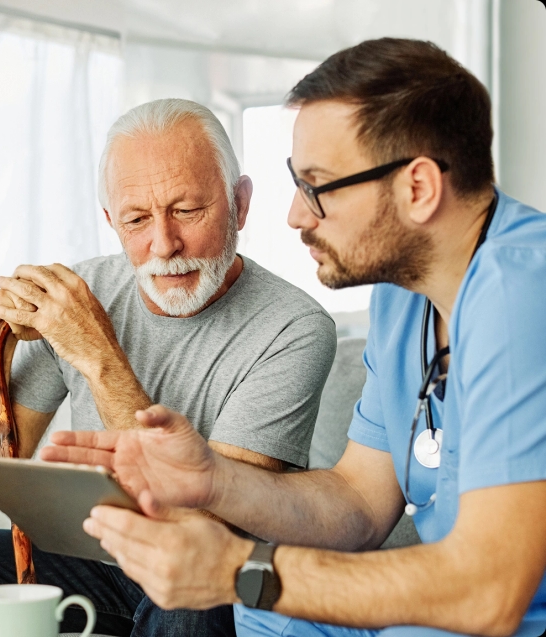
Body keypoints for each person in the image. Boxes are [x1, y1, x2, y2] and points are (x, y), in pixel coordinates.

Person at [43, 39, 546, 637]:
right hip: (451, 605)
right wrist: (211, 478)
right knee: (259, 610)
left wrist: (234, 567)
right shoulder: (402, 296)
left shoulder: (522, 291)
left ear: (417, 188)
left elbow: (489, 592)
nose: (295, 216)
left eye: (318, 185)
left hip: (497, 613)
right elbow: (359, 504)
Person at [0, 99, 336, 637]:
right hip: (95, 563)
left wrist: (96, 354)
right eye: (137, 220)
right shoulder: (80, 292)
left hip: (209, 568)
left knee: (187, 595)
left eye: (186, 211)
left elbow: (202, 525)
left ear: (240, 203)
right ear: (112, 221)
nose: (164, 244)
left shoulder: (294, 327)